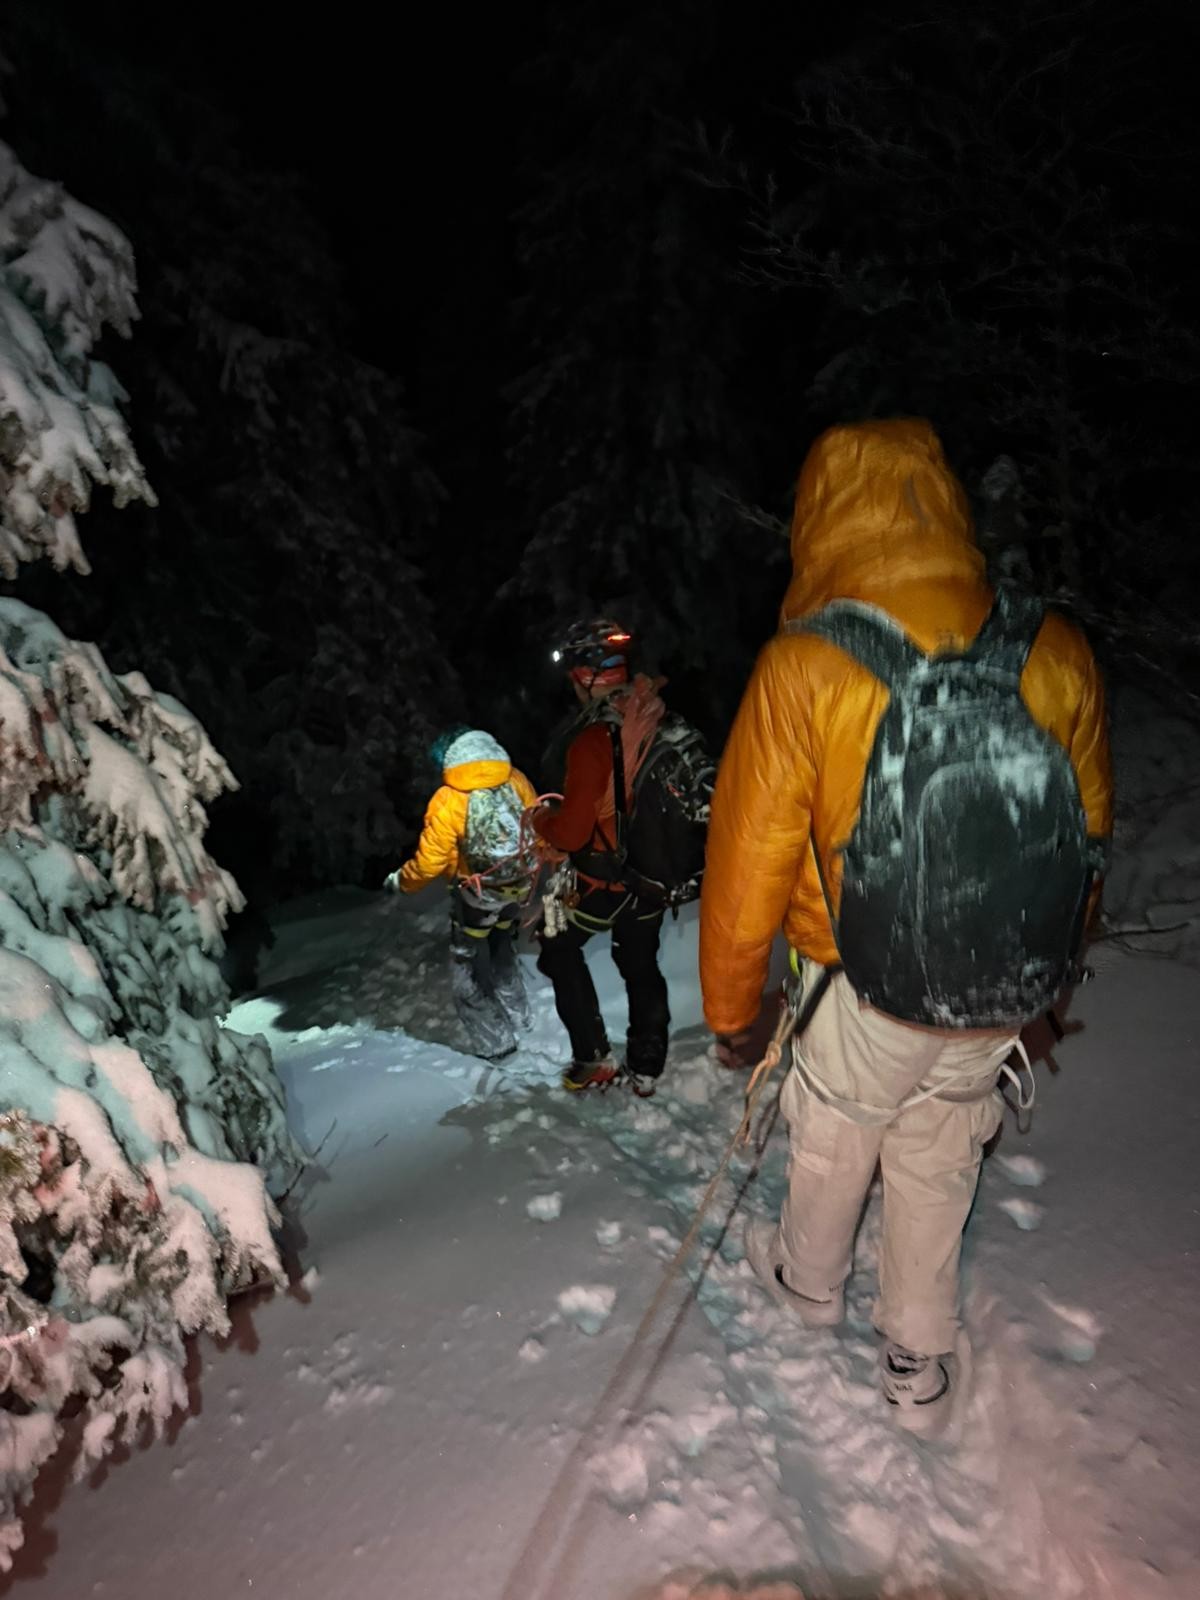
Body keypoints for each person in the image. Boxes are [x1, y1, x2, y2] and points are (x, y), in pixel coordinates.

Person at [700, 418, 1112, 1431]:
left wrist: (734, 1012)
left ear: (819, 519)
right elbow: (1087, 842)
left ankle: (809, 1284)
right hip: (997, 976)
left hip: (855, 979)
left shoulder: (803, 665)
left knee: (838, 1130)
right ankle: (917, 1361)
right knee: (941, 1148)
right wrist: (1046, 982)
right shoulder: (1052, 646)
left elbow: (747, 866)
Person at [531, 620, 674, 1098]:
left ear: (583, 676)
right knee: (640, 962)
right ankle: (647, 1064)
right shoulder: (655, 717)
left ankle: (593, 1057)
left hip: (609, 878)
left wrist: (541, 821)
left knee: (557, 945)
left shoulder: (594, 738)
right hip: (656, 873)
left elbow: (572, 833)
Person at [387, 727, 539, 1062]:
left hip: (476, 895)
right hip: (517, 888)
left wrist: (403, 882)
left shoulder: (449, 798)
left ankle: (496, 1042)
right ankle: (520, 1014)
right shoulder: (515, 779)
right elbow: (537, 827)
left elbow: (430, 862)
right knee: (502, 943)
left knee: (467, 962)